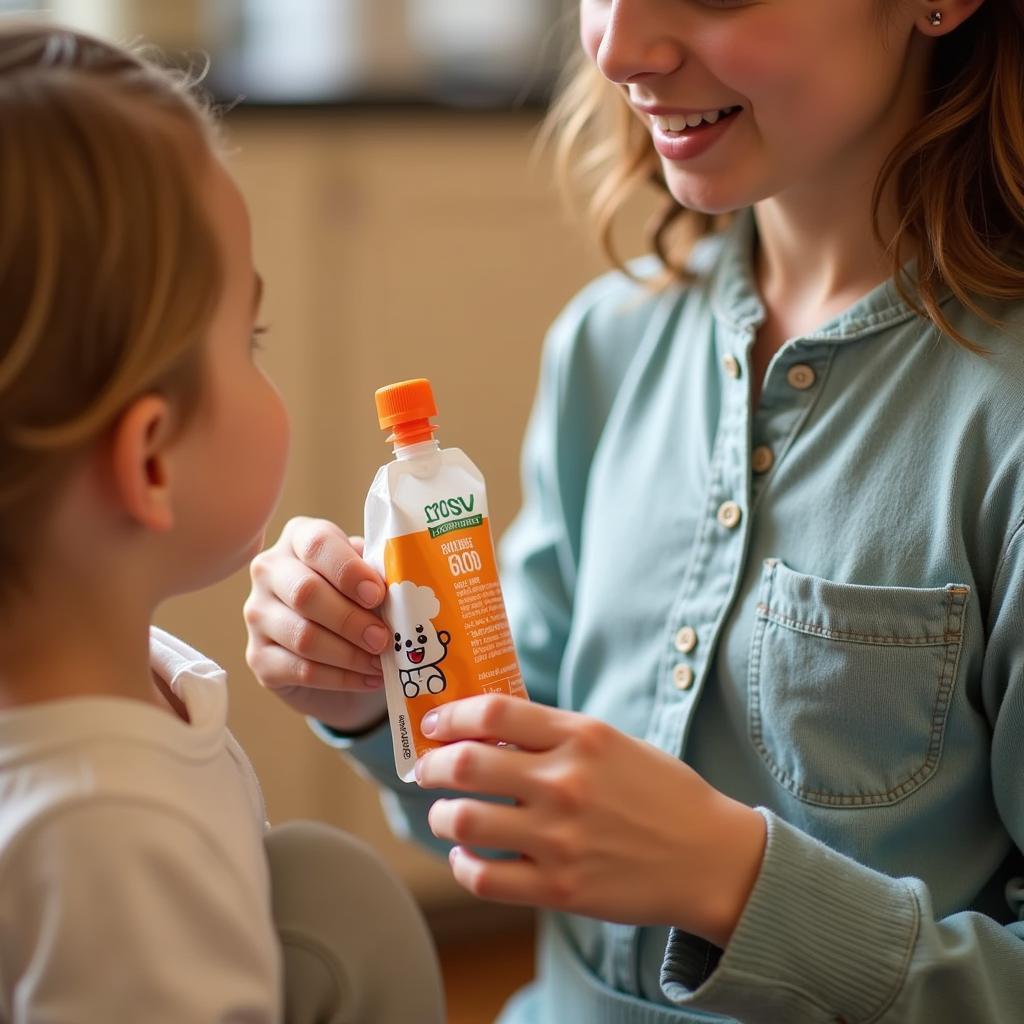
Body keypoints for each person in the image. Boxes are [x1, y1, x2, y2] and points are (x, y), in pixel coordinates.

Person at [243, 0, 1024, 1020]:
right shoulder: (605, 346)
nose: (615, 47)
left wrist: (738, 883)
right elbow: (511, 799)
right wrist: (371, 686)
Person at [0, 24, 443, 1023]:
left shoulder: (120, 682)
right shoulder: (108, 839)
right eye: (249, 338)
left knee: (323, 887)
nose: (261, 362)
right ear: (151, 460)